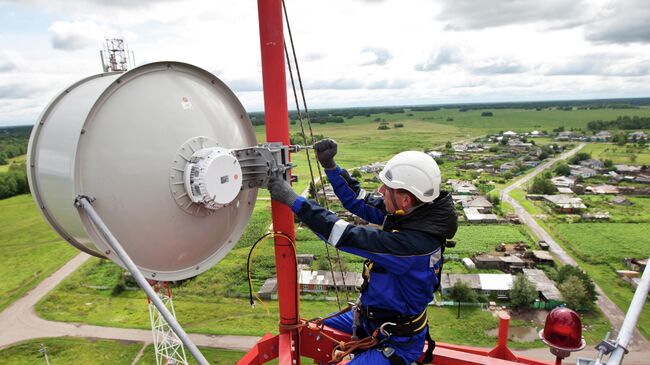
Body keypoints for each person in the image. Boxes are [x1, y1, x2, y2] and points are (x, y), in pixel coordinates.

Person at [267, 139, 457, 365]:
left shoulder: (414, 246)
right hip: (370, 318)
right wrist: (331, 167)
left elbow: (345, 234)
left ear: (405, 199)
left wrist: (293, 201)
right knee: (305, 330)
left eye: (387, 188)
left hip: (396, 340)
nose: (381, 191)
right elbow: (359, 201)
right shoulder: (412, 215)